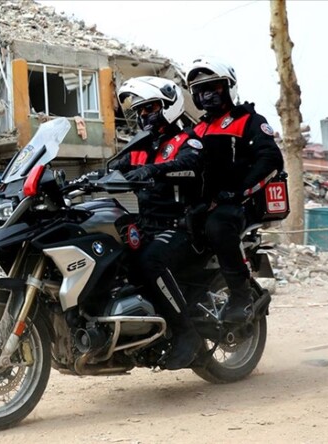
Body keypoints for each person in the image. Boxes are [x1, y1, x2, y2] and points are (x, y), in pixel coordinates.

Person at [111, 76, 205, 370]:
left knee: (149, 261)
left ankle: (187, 334)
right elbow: (114, 167)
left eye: (149, 108)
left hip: (180, 226)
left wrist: (153, 170)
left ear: (169, 105)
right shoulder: (140, 146)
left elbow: (189, 164)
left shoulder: (187, 141)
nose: (143, 116)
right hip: (147, 224)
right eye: (139, 111)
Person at [185, 56, 284, 323]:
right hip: (209, 202)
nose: (207, 94)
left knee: (219, 225)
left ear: (228, 87)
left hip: (241, 202)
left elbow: (271, 159)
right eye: (201, 90)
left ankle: (242, 295)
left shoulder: (248, 120)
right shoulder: (198, 129)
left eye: (214, 87)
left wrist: (238, 192)